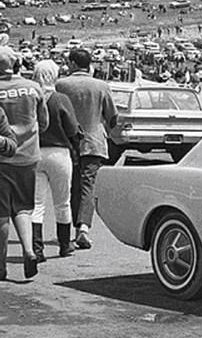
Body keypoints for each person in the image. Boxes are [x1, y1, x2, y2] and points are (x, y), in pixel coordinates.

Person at [56, 49, 117, 250]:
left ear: (73, 63)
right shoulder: (101, 86)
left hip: (68, 142)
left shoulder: (62, 85)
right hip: (94, 141)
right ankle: (83, 228)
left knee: (71, 186)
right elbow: (112, 116)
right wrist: (106, 128)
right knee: (87, 186)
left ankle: (71, 227)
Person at [0, 46, 48, 280]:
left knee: (1, 213)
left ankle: (1, 266)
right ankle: (29, 251)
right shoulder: (33, 88)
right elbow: (44, 122)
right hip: (28, 156)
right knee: (23, 207)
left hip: (2, 157)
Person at [32, 60, 82, 261]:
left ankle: (36, 248)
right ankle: (64, 244)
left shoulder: (32, 98)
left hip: (35, 152)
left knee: (36, 204)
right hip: (59, 153)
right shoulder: (61, 99)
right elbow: (72, 129)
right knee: (63, 202)